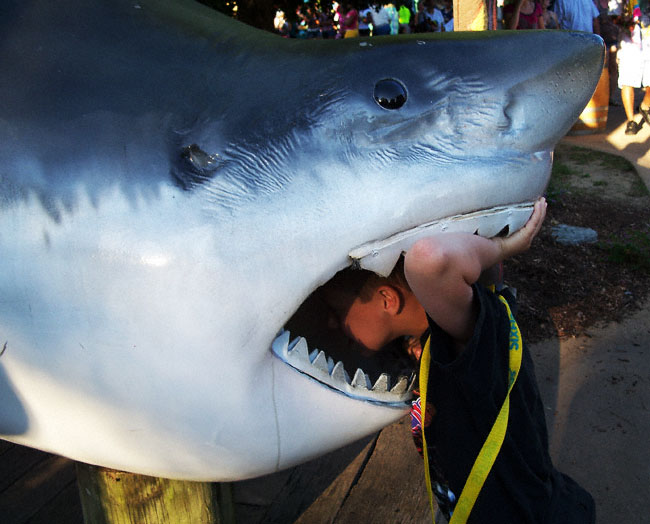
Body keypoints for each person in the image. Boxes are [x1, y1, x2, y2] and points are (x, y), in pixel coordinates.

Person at [318, 198, 596, 523]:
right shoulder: (435, 342)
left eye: (338, 313)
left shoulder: (474, 338)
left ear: (387, 300)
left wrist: (505, 246)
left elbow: (429, 259)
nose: (332, 324)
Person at [617, 14, 650, 134]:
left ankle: (645, 106)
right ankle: (631, 121)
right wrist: (626, 23)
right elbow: (614, 16)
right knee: (627, 80)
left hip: (648, 41)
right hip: (630, 44)